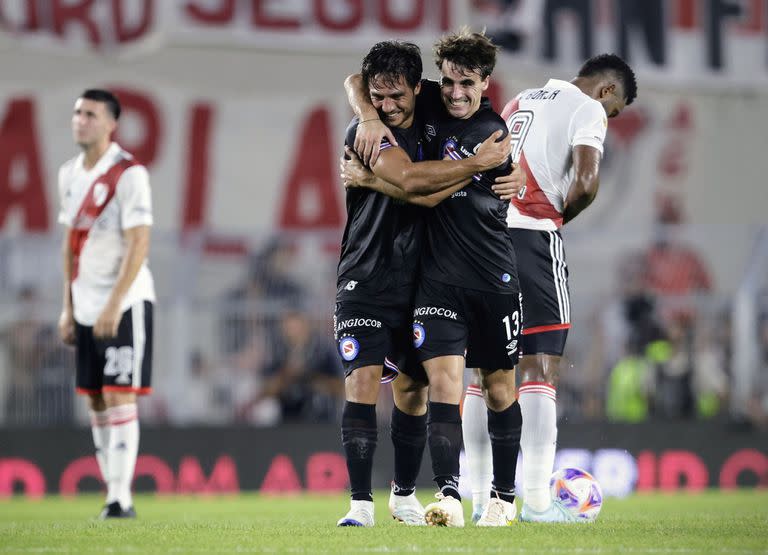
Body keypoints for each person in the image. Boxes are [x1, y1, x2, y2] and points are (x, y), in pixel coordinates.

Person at [343, 29, 524, 527]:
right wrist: (366, 113)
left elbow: (424, 193)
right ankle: (445, 497)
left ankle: (503, 500)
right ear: (434, 81)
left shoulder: (490, 131)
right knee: (439, 385)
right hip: (430, 281)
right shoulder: (408, 108)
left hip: (491, 278)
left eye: (467, 83)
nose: (456, 92)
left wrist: (507, 168)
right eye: (448, 82)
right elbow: (359, 80)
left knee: (498, 389)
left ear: (486, 82)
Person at [462, 53, 637, 522]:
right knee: (539, 368)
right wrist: (555, 219)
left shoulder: (521, 99)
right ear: (607, 92)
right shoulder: (589, 108)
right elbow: (584, 183)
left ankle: (481, 502)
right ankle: (538, 502)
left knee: (483, 374)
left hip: (482, 238)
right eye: (615, 110)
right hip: (531, 239)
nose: (609, 118)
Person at [57, 89, 156, 519]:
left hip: (125, 301)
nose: (80, 120)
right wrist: (67, 304)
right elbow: (70, 245)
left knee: (119, 395)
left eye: (90, 114)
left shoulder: (128, 173)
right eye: (77, 112)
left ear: (111, 123)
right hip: (84, 303)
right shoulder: (68, 174)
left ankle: (121, 498)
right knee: (95, 398)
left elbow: (139, 241)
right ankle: (111, 493)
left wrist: (116, 302)